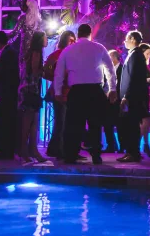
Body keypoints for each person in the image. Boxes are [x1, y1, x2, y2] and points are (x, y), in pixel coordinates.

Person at [54, 24, 116, 164]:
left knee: (74, 124)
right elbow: (110, 70)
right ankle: (96, 155)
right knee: (95, 124)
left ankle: (71, 154)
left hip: (76, 91)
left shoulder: (68, 50)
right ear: (90, 34)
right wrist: (112, 89)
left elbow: (59, 72)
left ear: (78, 34)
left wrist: (58, 91)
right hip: (95, 90)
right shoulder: (99, 48)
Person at [117, 31, 150, 163]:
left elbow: (134, 78)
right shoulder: (133, 55)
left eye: (126, 39)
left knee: (132, 125)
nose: (124, 42)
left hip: (132, 97)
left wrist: (126, 96)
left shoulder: (136, 55)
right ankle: (130, 151)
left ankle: (133, 152)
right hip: (130, 96)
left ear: (132, 39)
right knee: (129, 125)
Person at [44, 30, 76, 158]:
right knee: (60, 122)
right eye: (70, 40)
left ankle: (60, 148)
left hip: (71, 93)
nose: (73, 43)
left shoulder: (74, 54)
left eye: (74, 40)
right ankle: (57, 149)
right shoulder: (56, 55)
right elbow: (46, 72)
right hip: (59, 93)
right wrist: (58, 78)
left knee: (66, 122)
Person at [18, 31, 47, 163]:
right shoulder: (36, 53)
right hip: (31, 90)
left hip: (29, 89)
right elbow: (35, 71)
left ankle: (32, 150)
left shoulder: (31, 53)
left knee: (33, 121)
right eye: (45, 37)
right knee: (28, 121)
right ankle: (25, 151)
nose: (46, 40)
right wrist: (46, 69)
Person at [0, 30, 20, 161]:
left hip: (8, 93)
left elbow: (5, 73)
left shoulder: (7, 53)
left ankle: (5, 150)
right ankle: (6, 149)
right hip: (10, 93)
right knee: (5, 121)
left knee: (3, 121)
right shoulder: (10, 52)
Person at [137, 43, 150, 158]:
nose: (149, 56)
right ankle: (144, 144)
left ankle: (143, 144)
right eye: (147, 53)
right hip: (142, 95)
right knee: (144, 121)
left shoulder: (145, 65)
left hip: (146, 95)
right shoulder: (140, 65)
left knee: (145, 121)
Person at [103, 49, 123, 153]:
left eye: (109, 57)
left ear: (115, 58)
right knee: (107, 124)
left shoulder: (122, 69)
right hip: (107, 101)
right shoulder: (106, 70)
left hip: (118, 101)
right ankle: (111, 145)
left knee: (120, 125)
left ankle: (122, 147)